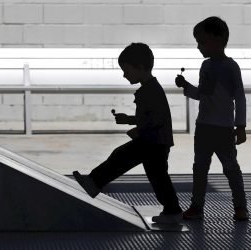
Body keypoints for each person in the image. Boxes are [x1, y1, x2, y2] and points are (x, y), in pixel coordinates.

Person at [73, 42, 182, 223]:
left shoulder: (150, 91)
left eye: (127, 71)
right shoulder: (150, 89)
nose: (124, 75)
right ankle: (172, 211)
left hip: (153, 142)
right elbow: (151, 116)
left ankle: (94, 182)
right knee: (158, 177)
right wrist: (130, 120)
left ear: (139, 68)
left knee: (121, 156)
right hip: (156, 142)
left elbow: (156, 118)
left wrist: (140, 128)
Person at [175, 16, 249, 221]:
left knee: (230, 168)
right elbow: (203, 94)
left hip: (223, 128)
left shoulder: (230, 67)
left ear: (218, 39)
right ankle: (197, 206)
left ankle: (240, 207)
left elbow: (240, 97)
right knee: (200, 168)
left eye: (202, 41)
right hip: (204, 127)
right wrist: (186, 87)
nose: (199, 46)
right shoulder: (205, 67)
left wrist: (241, 126)